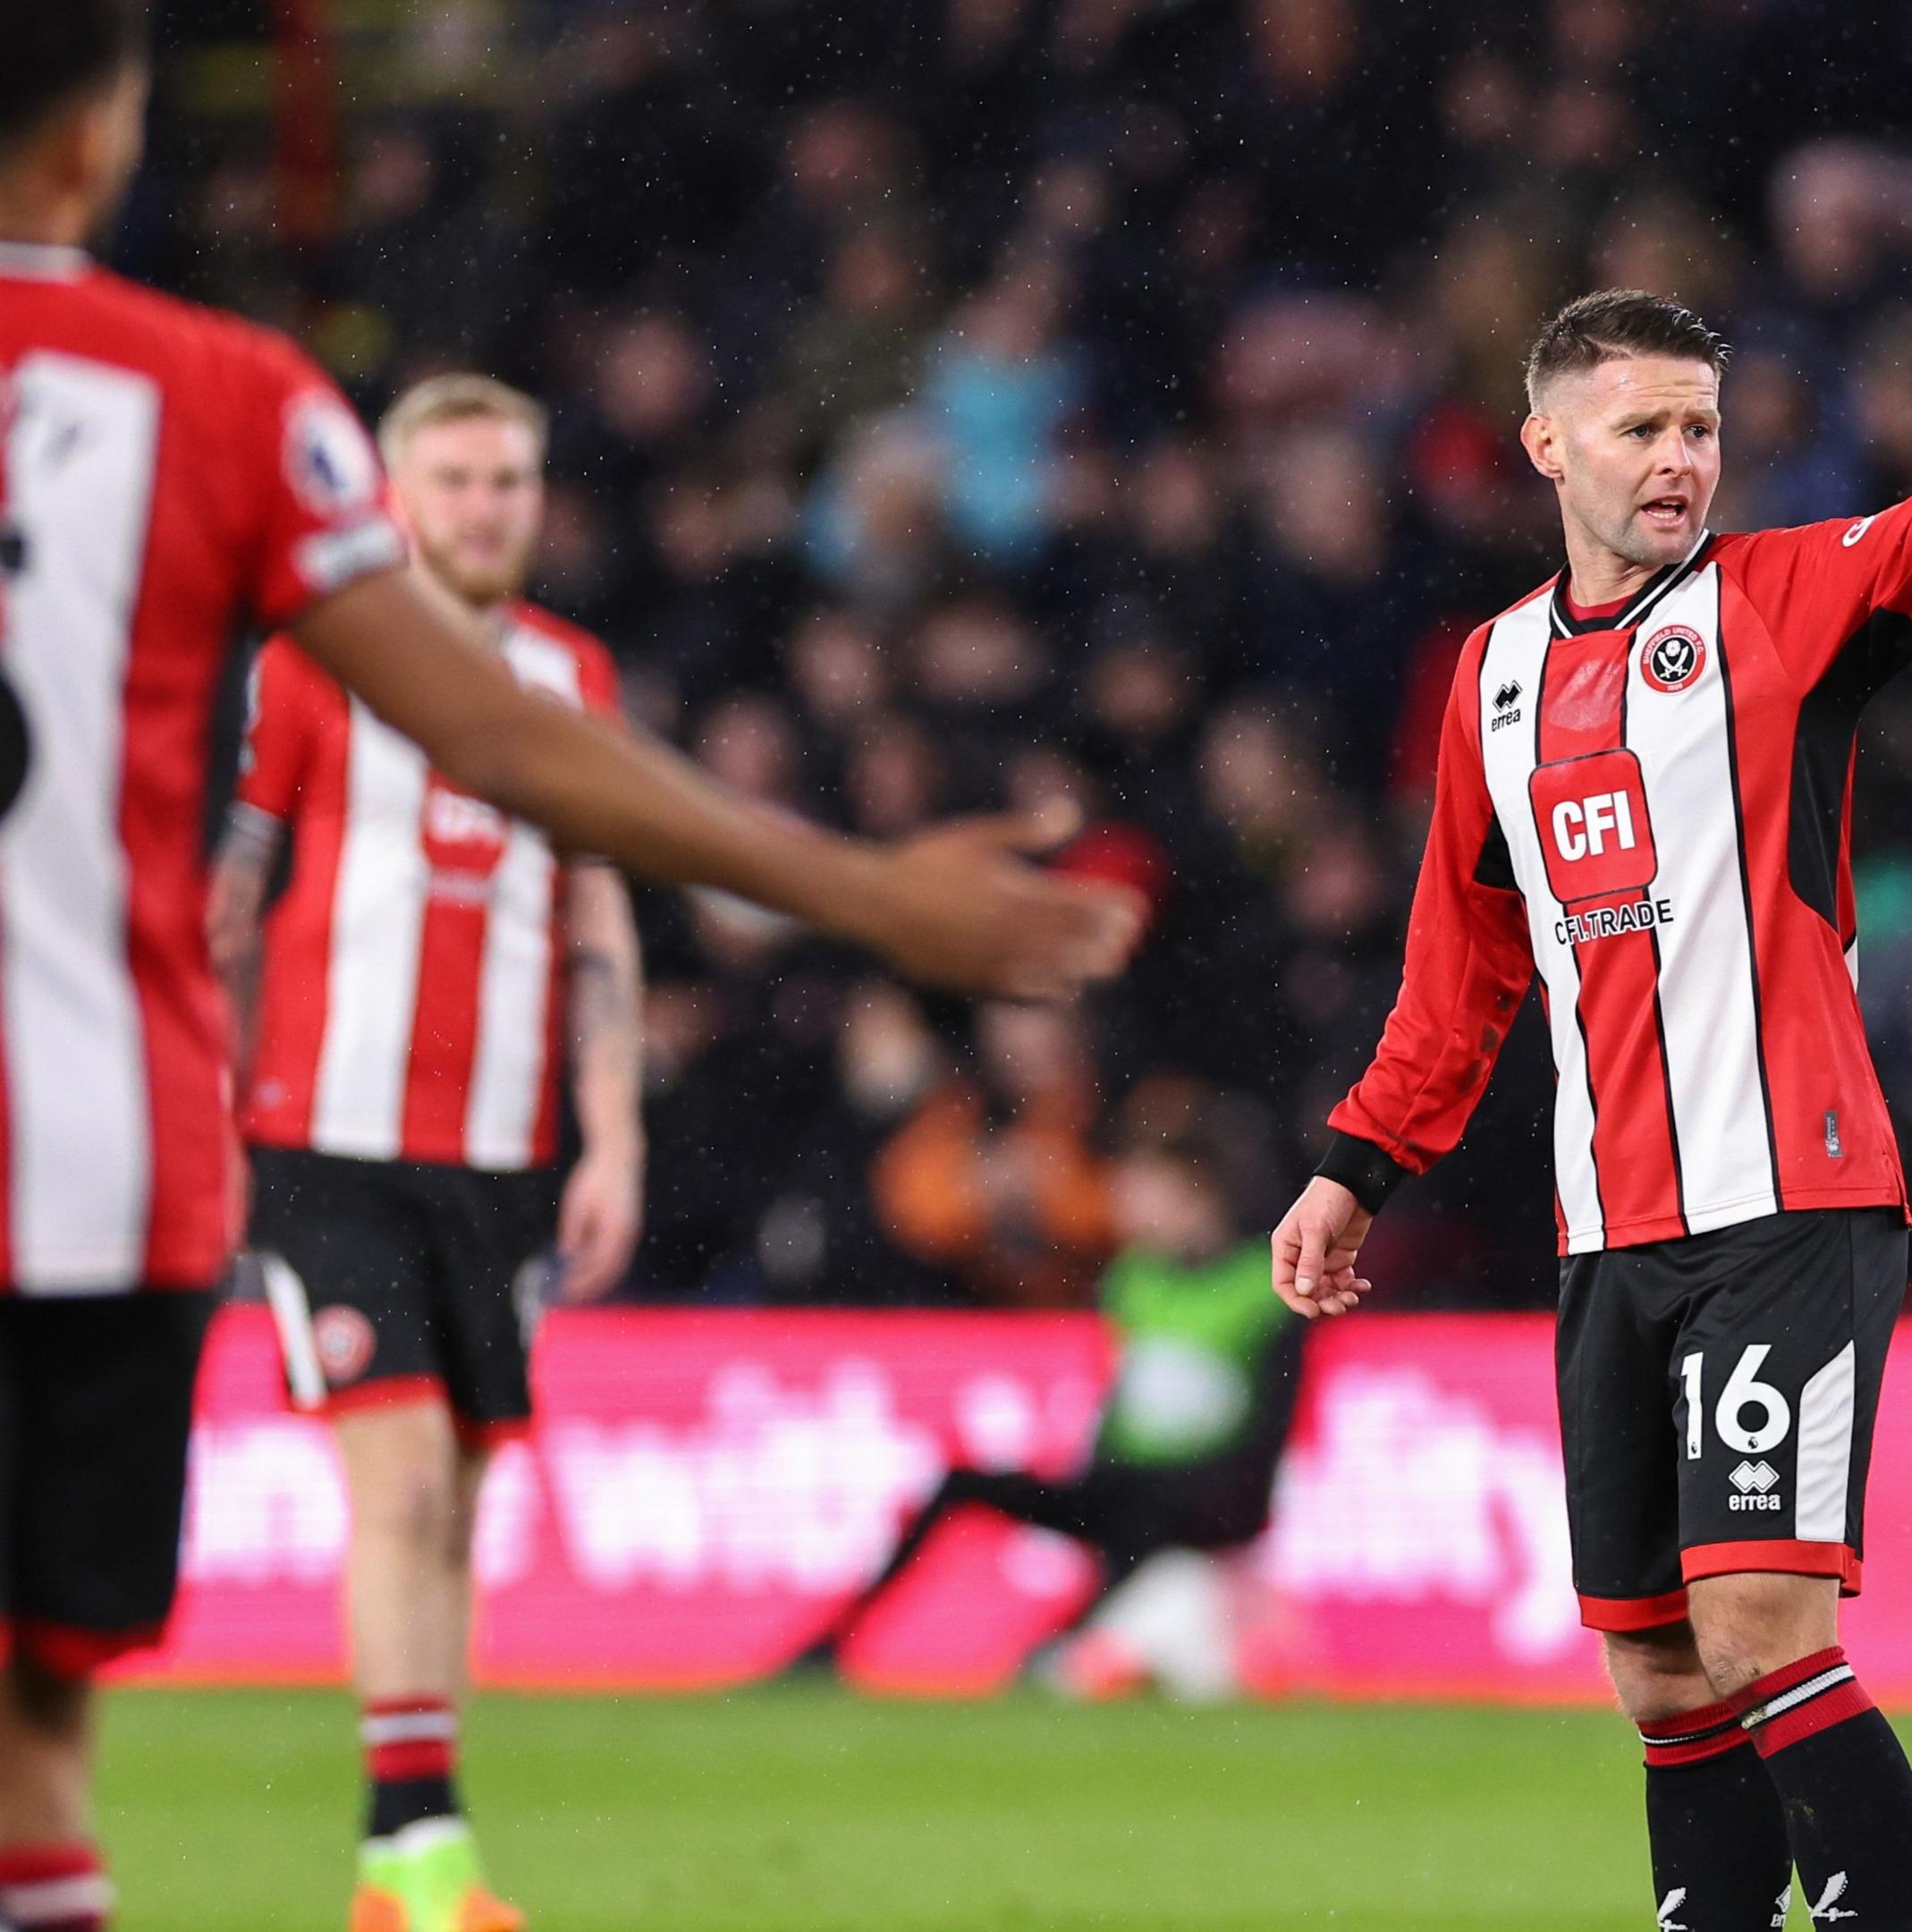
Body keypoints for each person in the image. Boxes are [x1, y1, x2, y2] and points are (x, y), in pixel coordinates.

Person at [0, 12, 1138, 1930]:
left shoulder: (547, 641)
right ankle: (406, 1840)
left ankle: (413, 1838)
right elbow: (508, 753)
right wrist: (864, 891)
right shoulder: (224, 404)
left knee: (416, 1502)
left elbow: (543, 786)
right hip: (111, 1169)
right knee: (41, 1721)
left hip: (430, 1135)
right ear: (102, 138)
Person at [1267, 209, 1912, 1931]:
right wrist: (1359, 1162)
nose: (1679, 459)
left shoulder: (1783, 605)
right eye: (1641, 426)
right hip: (1609, 1229)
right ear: (1545, 443)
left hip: (1788, 1195)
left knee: (1762, 1629)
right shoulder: (1488, 679)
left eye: (1703, 427)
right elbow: (1463, 966)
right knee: (1657, 1675)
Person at [203, 375, 639, 1932]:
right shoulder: (315, 667)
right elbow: (232, 904)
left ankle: (402, 1869)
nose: (482, 507)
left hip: (501, 1156)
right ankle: (423, 1843)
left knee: (452, 1503)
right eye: (452, 480)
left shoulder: (570, 678)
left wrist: (616, 1135)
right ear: (391, 495)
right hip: (323, 1138)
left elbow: (597, 917)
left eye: (508, 480)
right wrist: (198, 1095)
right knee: (392, 1487)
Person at [797, 1121, 1299, 1697]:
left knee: (1148, 1517)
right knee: (962, 1484)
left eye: (1146, 1193)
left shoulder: (1266, 1283)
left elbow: (1269, 1430)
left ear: (1199, 1193)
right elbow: (1123, 1402)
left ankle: (1078, 1645)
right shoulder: (1135, 1279)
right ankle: (834, 1641)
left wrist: (1224, 1504)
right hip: (1123, 1489)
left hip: (1201, 1505)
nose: (1130, 1212)